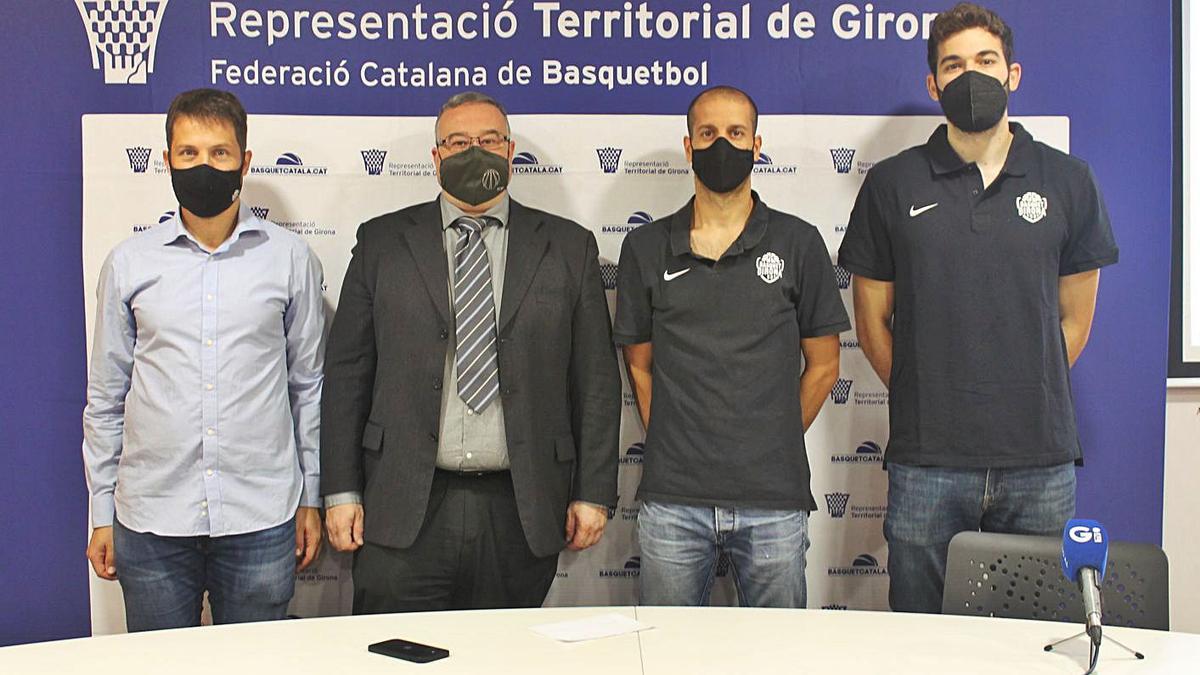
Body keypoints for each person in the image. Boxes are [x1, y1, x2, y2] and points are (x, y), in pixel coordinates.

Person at [838, 3, 1120, 613]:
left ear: (1012, 74)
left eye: (985, 61)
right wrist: (929, 394)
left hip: (1039, 459)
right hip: (928, 460)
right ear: (933, 84)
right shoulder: (891, 184)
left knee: (1035, 635)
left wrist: (1019, 391)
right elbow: (872, 325)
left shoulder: (1069, 180)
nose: (972, 77)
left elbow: (1074, 321)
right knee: (923, 633)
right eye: (954, 65)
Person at [321, 91, 621, 612]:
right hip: (401, 506)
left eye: (487, 141)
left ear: (510, 153)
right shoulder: (381, 243)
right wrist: (342, 491)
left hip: (519, 509)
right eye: (458, 143)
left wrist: (593, 492)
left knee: (503, 662)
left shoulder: (570, 248)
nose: (473, 153)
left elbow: (595, 381)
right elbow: (347, 375)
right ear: (436, 159)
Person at [83, 88, 325, 631]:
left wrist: (310, 497)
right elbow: (106, 398)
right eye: (189, 153)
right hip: (151, 519)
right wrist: (102, 511)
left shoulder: (289, 260)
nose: (204, 165)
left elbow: (308, 387)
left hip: (261, 516)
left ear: (244, 161)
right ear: (166, 161)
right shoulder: (129, 264)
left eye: (219, 153)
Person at [615, 85, 848, 608]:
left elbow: (825, 365)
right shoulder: (646, 247)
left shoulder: (799, 242)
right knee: (668, 654)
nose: (723, 144)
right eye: (709, 133)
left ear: (757, 144)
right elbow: (640, 368)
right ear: (689, 145)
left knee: (778, 657)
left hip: (774, 499)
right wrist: (679, 441)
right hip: (673, 500)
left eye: (736, 133)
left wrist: (771, 437)